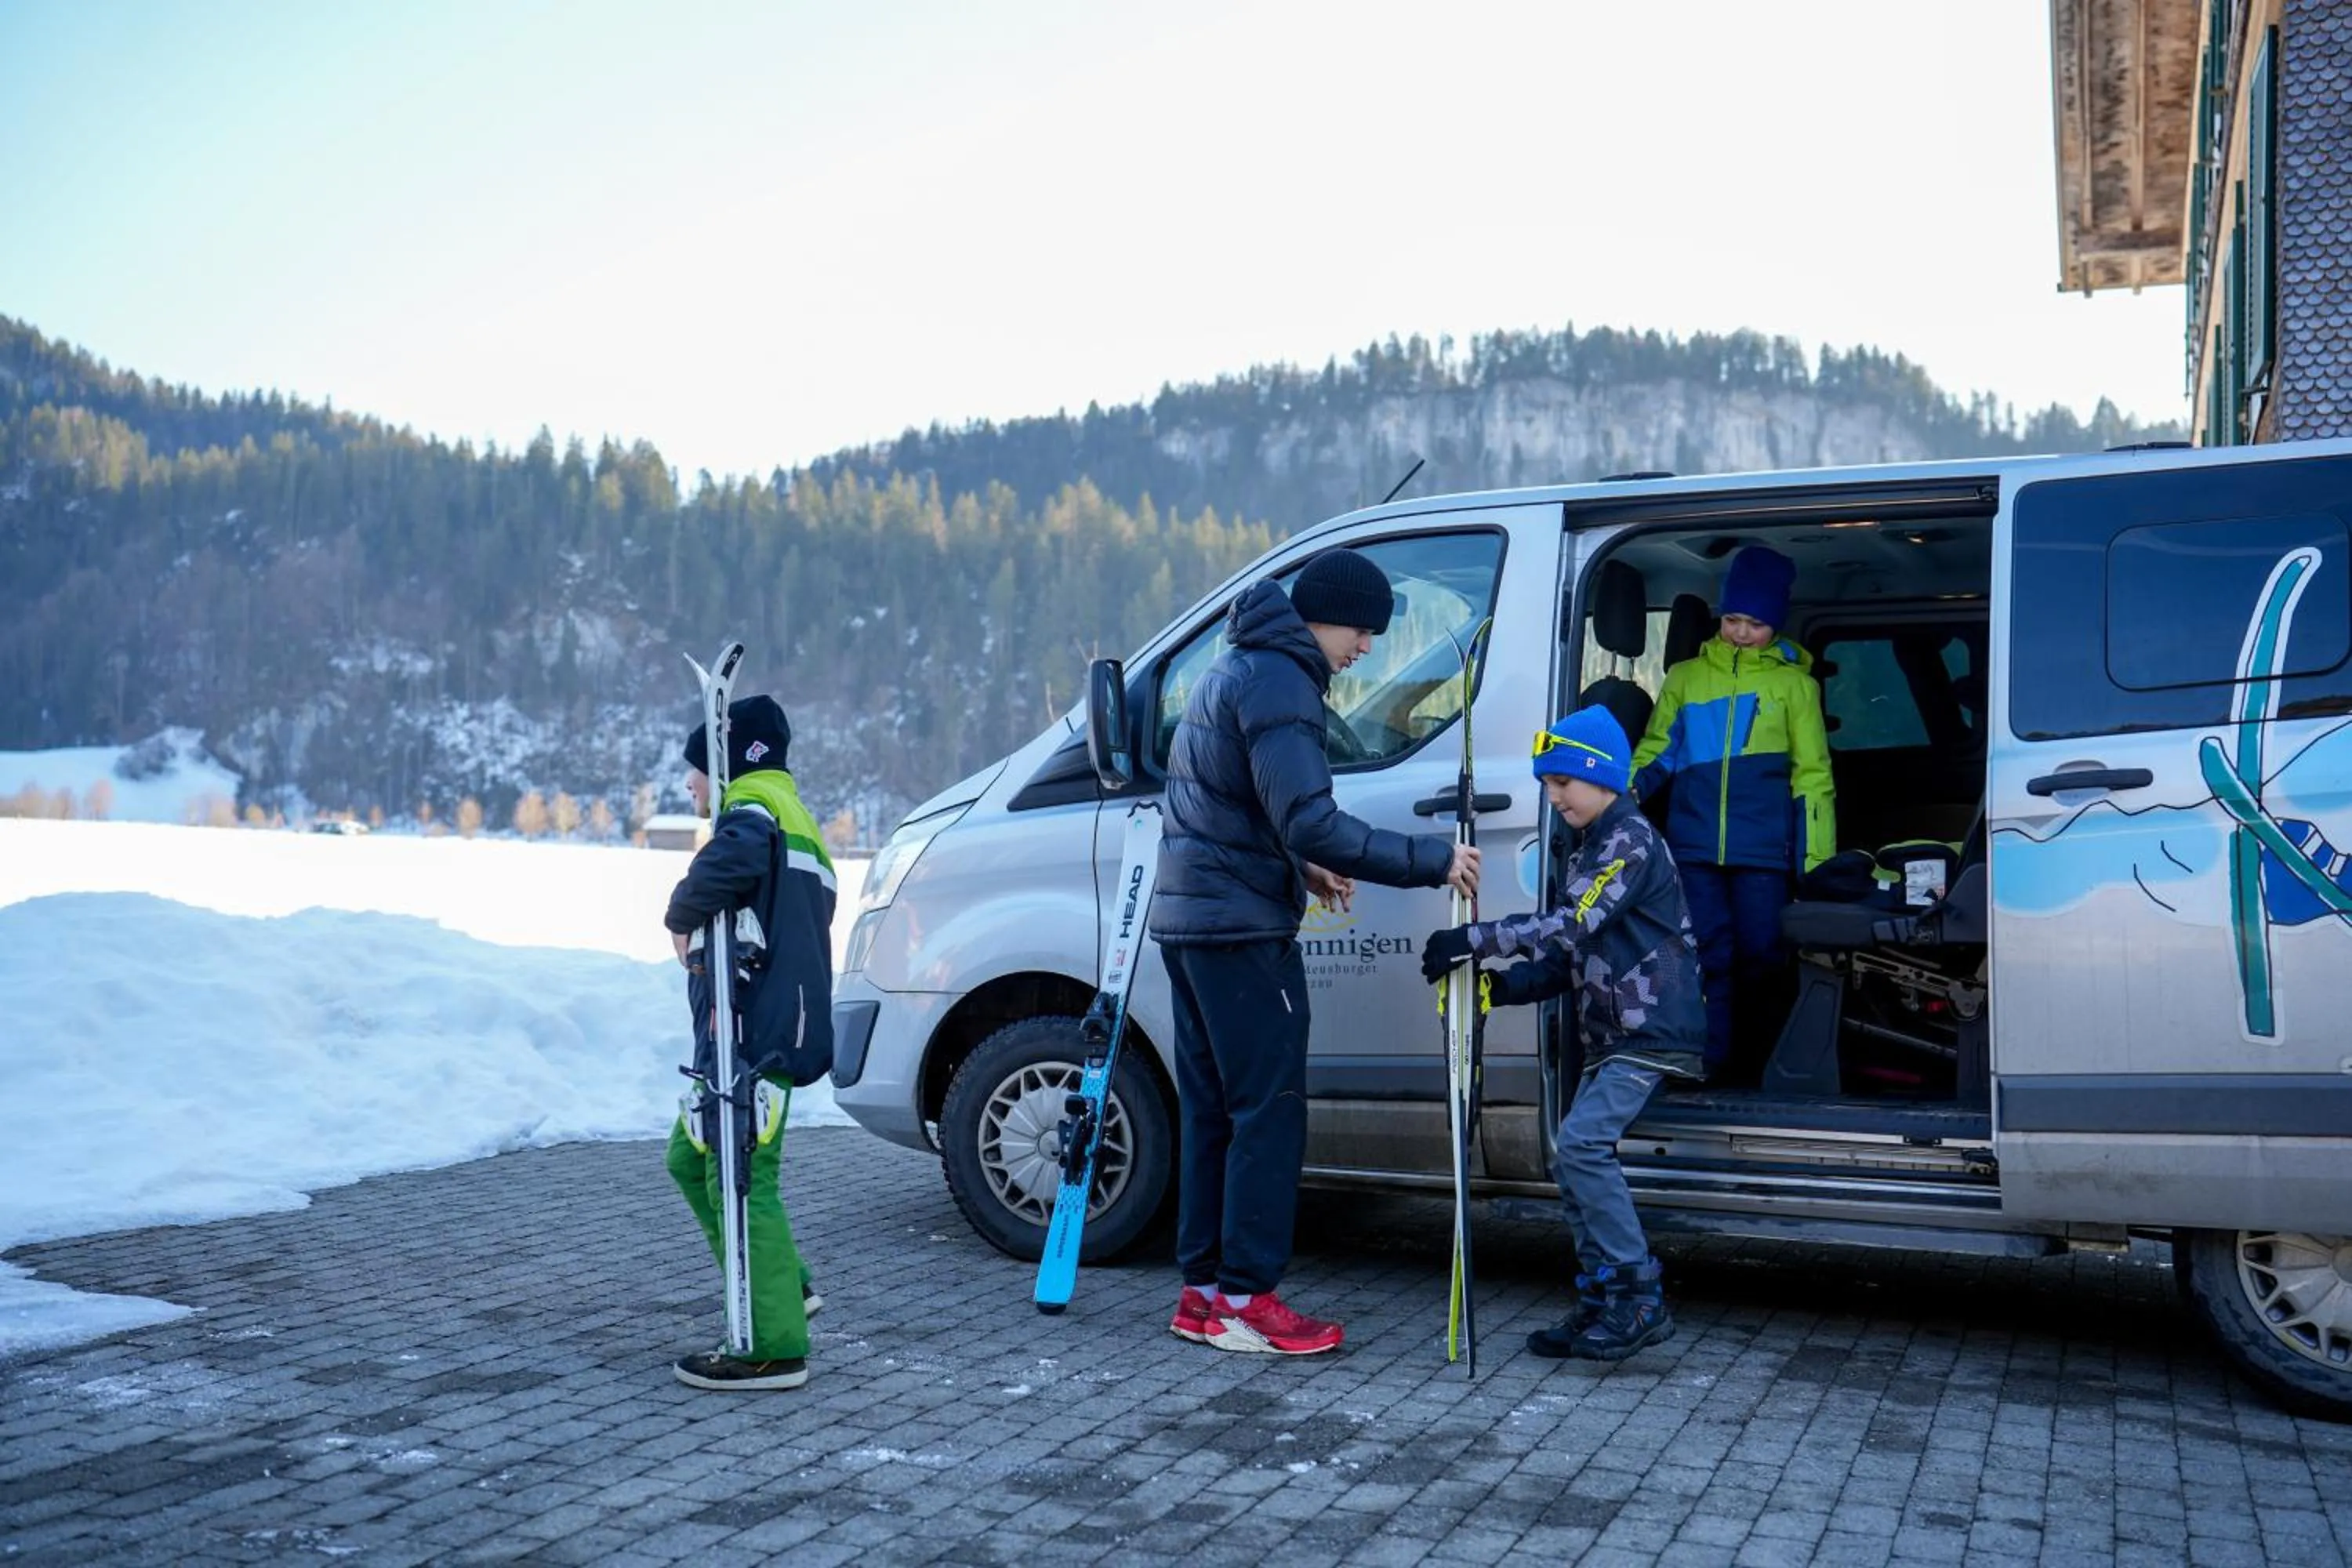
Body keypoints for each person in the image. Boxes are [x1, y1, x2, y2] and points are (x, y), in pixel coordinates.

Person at [1150, 546, 1481, 1356]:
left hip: (1192, 921)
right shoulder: (1282, 682)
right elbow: (1309, 814)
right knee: (1270, 1110)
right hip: (1241, 929)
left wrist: (1303, 867)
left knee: (1215, 1109)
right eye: (1361, 628)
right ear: (1320, 615)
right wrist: (1432, 859)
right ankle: (1249, 1298)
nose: (1365, 645)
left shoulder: (1236, 669)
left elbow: (1235, 807)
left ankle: (1202, 1294)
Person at [1420, 705, 1704, 1360]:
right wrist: (1501, 986)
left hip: (1654, 1030)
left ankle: (1638, 1296)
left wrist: (1476, 939)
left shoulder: (1628, 840)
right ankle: (1602, 1296)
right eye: (1547, 783)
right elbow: (1568, 960)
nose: (1552, 796)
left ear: (1599, 776)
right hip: (1616, 1034)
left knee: (1580, 1146)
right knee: (1571, 1158)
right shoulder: (1592, 844)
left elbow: (1569, 925)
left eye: (1561, 782)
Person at [662, 694, 837, 1391]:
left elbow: (728, 864)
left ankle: (770, 1345)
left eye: (697, 768)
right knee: (692, 1158)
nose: (690, 785)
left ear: (731, 763)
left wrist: (679, 912)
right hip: (750, 1033)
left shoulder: (755, 809)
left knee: (740, 1179)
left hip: (754, 1037)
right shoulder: (791, 814)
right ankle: (782, 1287)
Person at [1629, 544, 1833, 1081]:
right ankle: (1711, 1067)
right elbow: (1657, 752)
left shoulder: (1795, 687)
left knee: (1764, 957)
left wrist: (1817, 864)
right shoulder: (1685, 678)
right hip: (1693, 848)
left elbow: (1812, 778)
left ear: (1776, 624)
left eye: (1757, 623)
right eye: (1734, 619)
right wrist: (1619, 796)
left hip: (1763, 852)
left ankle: (1764, 1066)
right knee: (1705, 956)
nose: (1742, 633)